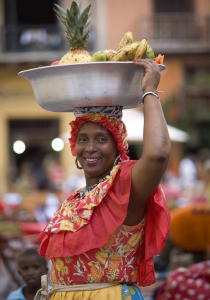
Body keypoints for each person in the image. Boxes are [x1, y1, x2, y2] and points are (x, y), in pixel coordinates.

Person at [36, 59, 171, 300]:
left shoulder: (125, 184)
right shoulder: (74, 200)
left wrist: (149, 92)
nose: (90, 148)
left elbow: (158, 155)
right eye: (83, 139)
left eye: (101, 139)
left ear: (117, 145)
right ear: (74, 146)